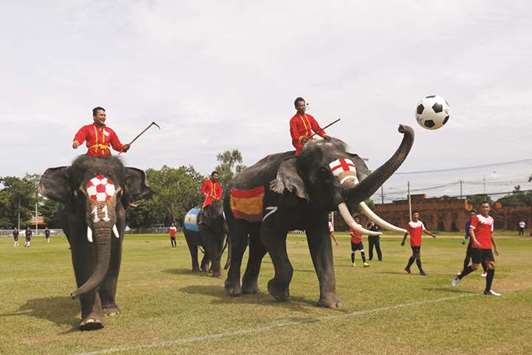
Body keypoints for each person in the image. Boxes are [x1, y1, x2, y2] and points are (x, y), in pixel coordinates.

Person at [452, 202, 501, 296]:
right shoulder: (476, 217)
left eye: (486, 207)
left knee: (491, 266)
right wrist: (474, 240)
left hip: (487, 247)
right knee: (475, 267)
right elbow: (471, 230)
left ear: (489, 208)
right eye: (483, 207)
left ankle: (487, 290)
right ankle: (459, 276)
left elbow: (490, 234)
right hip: (477, 246)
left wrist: (495, 247)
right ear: (480, 208)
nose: (485, 208)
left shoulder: (491, 219)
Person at [401, 211, 437, 276]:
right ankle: (421, 271)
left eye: (417, 215)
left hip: (419, 241)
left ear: (418, 216)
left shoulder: (420, 223)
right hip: (413, 242)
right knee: (417, 256)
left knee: (414, 256)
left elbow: (424, 230)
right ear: (412, 216)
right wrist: (403, 241)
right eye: (414, 215)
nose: (416, 216)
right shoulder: (410, 224)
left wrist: (431, 234)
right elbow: (406, 233)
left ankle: (407, 267)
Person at [462, 210, 487, 277]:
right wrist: (465, 239)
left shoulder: (479, 222)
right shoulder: (468, 223)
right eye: (470, 215)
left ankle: (485, 271)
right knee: (467, 256)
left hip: (479, 242)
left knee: (481, 257)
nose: (471, 216)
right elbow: (467, 233)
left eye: (473, 214)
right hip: (471, 242)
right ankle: (464, 270)